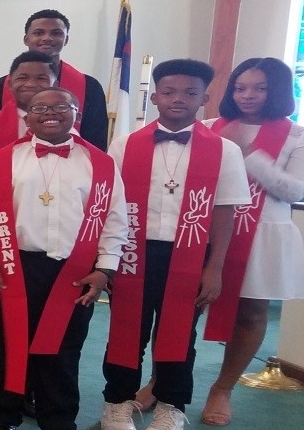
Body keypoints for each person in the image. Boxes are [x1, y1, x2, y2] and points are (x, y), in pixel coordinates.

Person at [100, 59, 250, 430]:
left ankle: (171, 405)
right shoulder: (124, 145)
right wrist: (107, 260)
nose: (178, 99)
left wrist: (214, 268)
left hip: (191, 255)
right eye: (168, 91)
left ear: (204, 99)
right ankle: (117, 403)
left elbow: (224, 212)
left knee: (180, 334)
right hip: (134, 251)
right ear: (154, 97)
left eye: (189, 92)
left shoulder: (225, 150)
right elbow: (108, 206)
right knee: (126, 330)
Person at [0, 87, 130, 430]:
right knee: (7, 345)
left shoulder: (100, 164)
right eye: (39, 108)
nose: (50, 113)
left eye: (61, 106)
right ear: (27, 117)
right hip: (15, 266)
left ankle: (58, 418)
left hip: (75, 270)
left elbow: (115, 219)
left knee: (63, 349)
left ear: (77, 115)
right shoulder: (2, 160)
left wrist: (105, 268)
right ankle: (2, 417)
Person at [186, 57, 302, 426]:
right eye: (240, 87)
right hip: (203, 228)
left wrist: (248, 153)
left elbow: (294, 190)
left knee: (251, 313)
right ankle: (162, 382)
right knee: (182, 308)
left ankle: (222, 388)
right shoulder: (208, 127)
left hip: (262, 233)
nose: (247, 95)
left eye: (259, 88)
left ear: (277, 90)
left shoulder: (296, 135)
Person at [0, 49, 60, 413]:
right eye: (23, 77)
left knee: (42, 317)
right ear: (10, 82)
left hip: (46, 238)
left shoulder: (64, 126)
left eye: (42, 78)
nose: (31, 84)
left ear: (55, 83)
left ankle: (31, 389)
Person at [0, 9, 108, 150]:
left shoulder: (90, 87)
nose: (47, 38)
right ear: (26, 39)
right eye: (38, 33)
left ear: (66, 39)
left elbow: (96, 144)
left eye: (56, 33)